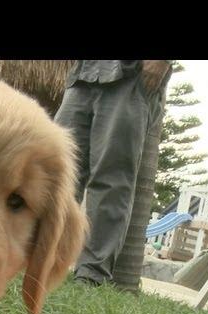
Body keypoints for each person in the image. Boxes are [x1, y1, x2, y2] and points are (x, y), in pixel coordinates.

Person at [54, 60, 172, 286]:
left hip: (131, 74)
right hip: (83, 73)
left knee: (112, 179)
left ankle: (91, 275)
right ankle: (44, 260)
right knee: (59, 173)